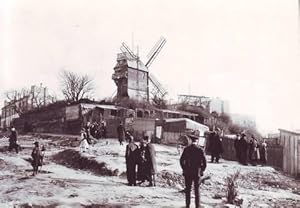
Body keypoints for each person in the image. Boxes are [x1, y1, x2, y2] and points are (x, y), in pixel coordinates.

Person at [180, 134, 207, 208]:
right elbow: (204, 163)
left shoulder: (187, 149)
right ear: (197, 141)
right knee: (197, 190)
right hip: (197, 173)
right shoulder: (200, 150)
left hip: (188, 172)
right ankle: (197, 206)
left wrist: (184, 168)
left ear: (191, 140)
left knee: (188, 189)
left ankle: (187, 205)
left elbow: (181, 160)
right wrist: (201, 170)